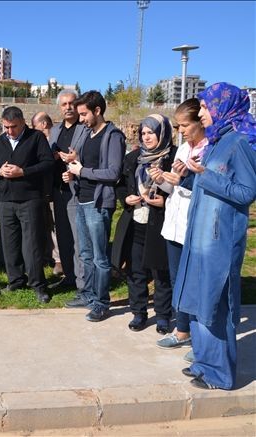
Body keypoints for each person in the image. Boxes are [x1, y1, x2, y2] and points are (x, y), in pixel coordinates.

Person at [173, 82, 255, 390]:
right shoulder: (217, 141)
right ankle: (203, 363)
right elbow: (208, 186)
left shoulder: (238, 143)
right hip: (200, 237)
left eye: (206, 107)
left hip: (220, 242)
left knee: (216, 304)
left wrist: (205, 175)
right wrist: (190, 176)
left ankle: (220, 374)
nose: (202, 112)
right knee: (198, 301)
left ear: (224, 107)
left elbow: (247, 192)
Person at [62, 91, 126, 321]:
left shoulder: (113, 136)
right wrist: (74, 174)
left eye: (84, 114)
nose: (81, 119)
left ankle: (102, 302)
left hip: (98, 204)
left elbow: (113, 172)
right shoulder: (88, 135)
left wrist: (82, 171)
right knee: (86, 253)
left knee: (100, 257)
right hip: (81, 199)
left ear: (97, 111)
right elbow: (84, 166)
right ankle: (87, 294)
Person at [151, 98, 207, 349]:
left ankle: (200, 335)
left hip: (195, 226)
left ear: (200, 122)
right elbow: (173, 187)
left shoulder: (209, 150)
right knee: (178, 280)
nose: (181, 131)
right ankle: (182, 330)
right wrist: (161, 178)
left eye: (185, 125)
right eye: (177, 126)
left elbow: (207, 189)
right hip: (174, 224)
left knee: (195, 282)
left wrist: (184, 180)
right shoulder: (183, 149)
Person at [112, 114, 175, 333]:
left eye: (151, 132)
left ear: (163, 133)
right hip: (136, 221)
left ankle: (164, 315)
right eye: (143, 133)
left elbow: (185, 189)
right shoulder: (133, 158)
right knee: (135, 271)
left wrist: (164, 201)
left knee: (161, 271)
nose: (146, 137)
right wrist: (126, 199)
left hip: (160, 223)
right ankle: (139, 312)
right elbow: (120, 185)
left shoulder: (173, 157)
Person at [0, 106, 54, 303]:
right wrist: (0, 172)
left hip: (30, 198)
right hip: (5, 199)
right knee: (10, 243)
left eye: (13, 127)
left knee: (31, 243)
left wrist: (23, 172)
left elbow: (47, 163)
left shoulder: (36, 138)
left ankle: (38, 284)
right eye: (5, 127)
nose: (9, 131)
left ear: (23, 122)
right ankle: (15, 279)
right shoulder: (1, 141)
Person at [49, 90, 89, 291]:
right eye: (64, 104)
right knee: (63, 236)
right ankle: (69, 276)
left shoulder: (84, 129)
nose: (68, 107)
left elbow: (91, 155)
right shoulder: (55, 131)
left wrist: (75, 159)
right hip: (58, 189)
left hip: (77, 189)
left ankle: (82, 281)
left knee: (78, 238)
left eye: (71, 103)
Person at [31, 111, 61, 276]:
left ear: (43, 124)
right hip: (42, 190)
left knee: (55, 226)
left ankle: (59, 260)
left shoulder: (57, 140)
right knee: (45, 225)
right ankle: (47, 256)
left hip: (56, 189)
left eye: (35, 126)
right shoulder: (39, 142)